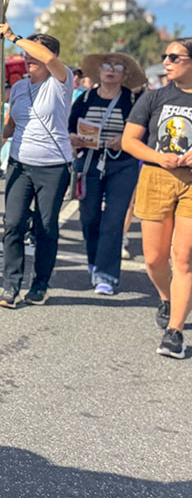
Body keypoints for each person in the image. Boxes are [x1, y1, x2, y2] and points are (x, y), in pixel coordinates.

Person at [122, 37, 192, 358]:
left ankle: (174, 331)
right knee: (153, 259)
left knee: (183, 259)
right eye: (166, 56)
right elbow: (129, 141)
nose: (167, 61)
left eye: (175, 57)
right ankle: (166, 297)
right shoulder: (154, 97)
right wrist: (158, 157)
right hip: (155, 176)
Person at [0, 23, 72, 308]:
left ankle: (40, 284)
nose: (27, 58)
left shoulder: (61, 82)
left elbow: (50, 60)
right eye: (25, 53)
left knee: (45, 227)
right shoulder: (18, 87)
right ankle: (10, 285)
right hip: (19, 163)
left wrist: (15, 37)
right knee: (13, 223)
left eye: (33, 52)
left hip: (53, 166)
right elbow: (10, 127)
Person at [69, 53, 145, 295]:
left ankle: (106, 275)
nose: (111, 70)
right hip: (90, 163)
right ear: (98, 71)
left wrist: (125, 140)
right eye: (106, 66)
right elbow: (70, 127)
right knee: (89, 217)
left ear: (125, 74)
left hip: (122, 165)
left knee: (114, 219)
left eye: (117, 66)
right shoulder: (85, 98)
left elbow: (146, 131)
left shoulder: (133, 100)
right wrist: (73, 138)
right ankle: (95, 262)